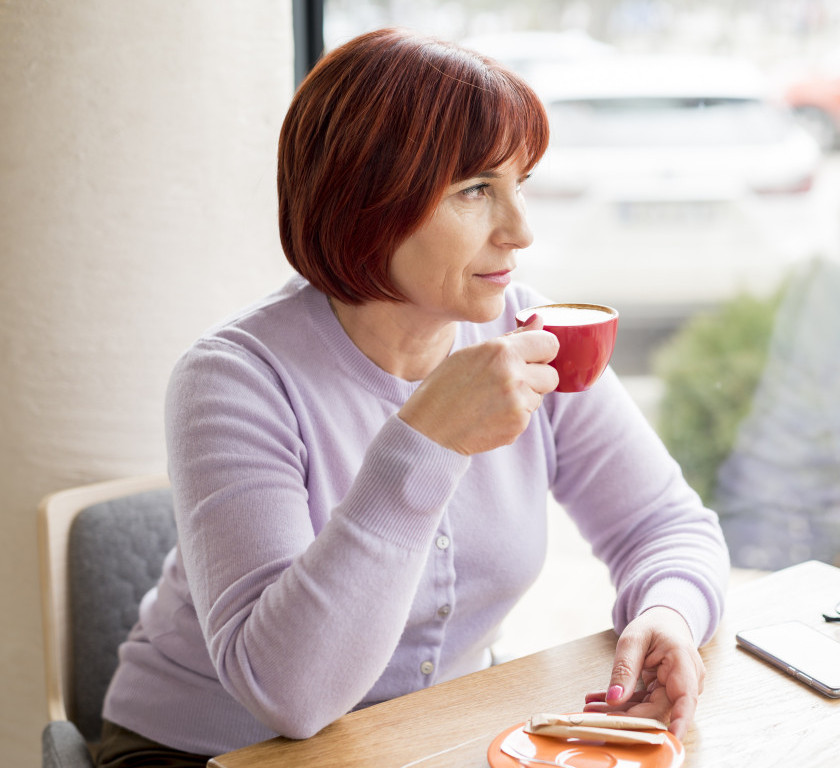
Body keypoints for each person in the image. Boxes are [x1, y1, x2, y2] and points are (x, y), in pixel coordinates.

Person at [96, 28, 730, 767]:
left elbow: (665, 523)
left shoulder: (530, 333)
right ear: (367, 200)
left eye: (518, 184)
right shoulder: (233, 379)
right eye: (475, 191)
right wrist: (426, 443)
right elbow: (289, 696)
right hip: (209, 750)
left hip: (429, 738)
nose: (520, 231)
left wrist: (668, 613)